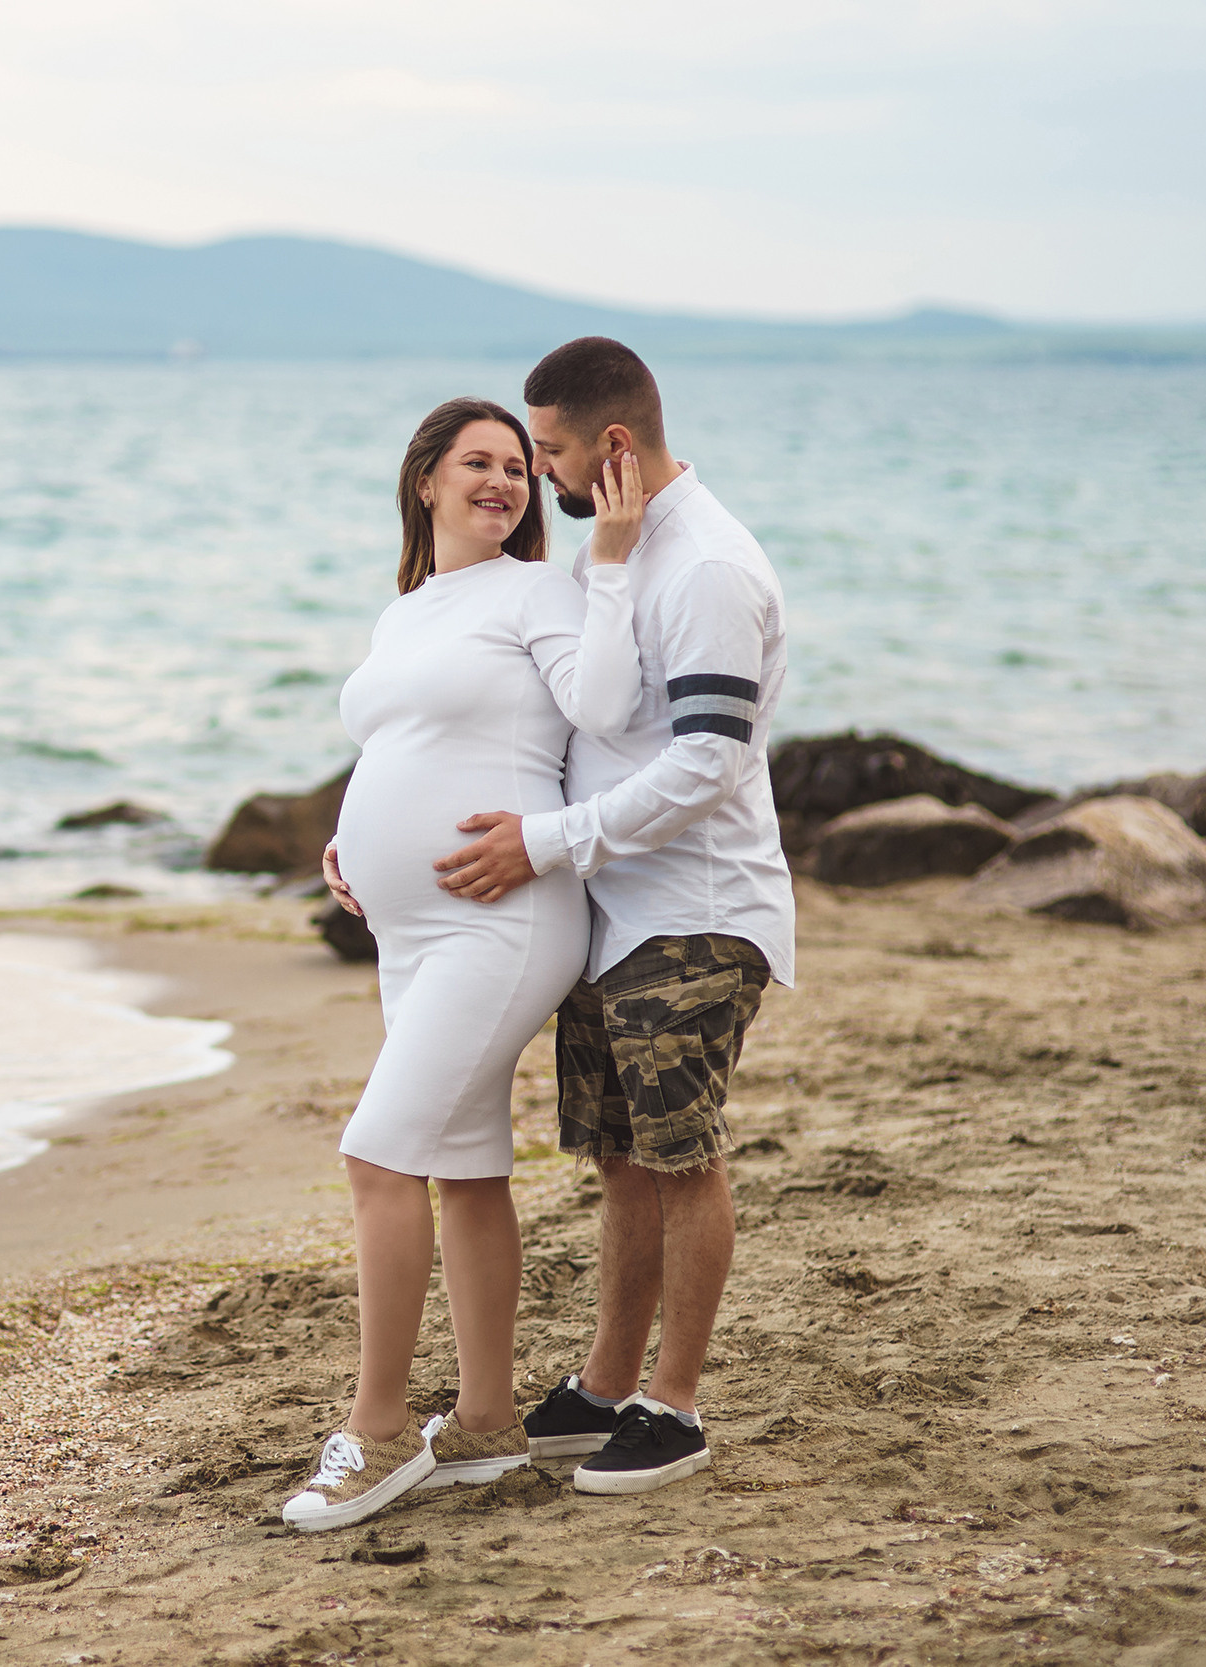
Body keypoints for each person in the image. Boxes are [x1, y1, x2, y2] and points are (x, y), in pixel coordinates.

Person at [429, 336, 794, 1496]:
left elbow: (704, 766)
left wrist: (543, 842)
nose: (540, 472)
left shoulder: (709, 568)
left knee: (682, 1160)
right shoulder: (619, 551)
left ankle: (672, 1407)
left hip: (695, 909)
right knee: (622, 1162)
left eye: (549, 450)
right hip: (610, 909)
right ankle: (602, 1387)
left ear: (614, 443)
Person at [284, 397, 647, 1533]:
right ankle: (486, 1420)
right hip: (408, 934)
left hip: (501, 920)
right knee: (465, 1166)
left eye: (516, 468)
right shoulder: (408, 610)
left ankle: (380, 1429)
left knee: (376, 1154)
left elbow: (604, 703)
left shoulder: (541, 588)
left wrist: (612, 557)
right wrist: (350, 841)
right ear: (425, 480)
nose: (502, 481)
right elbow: (405, 741)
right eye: (477, 462)